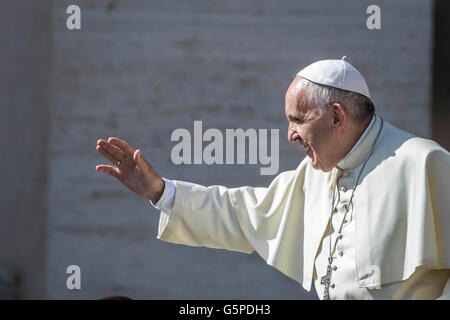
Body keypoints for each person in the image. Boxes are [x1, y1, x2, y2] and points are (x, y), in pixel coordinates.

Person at [95, 57, 450, 300]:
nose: (290, 134)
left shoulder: (423, 162)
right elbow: (241, 213)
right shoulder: (314, 176)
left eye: (297, 120)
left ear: (336, 117)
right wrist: (159, 191)